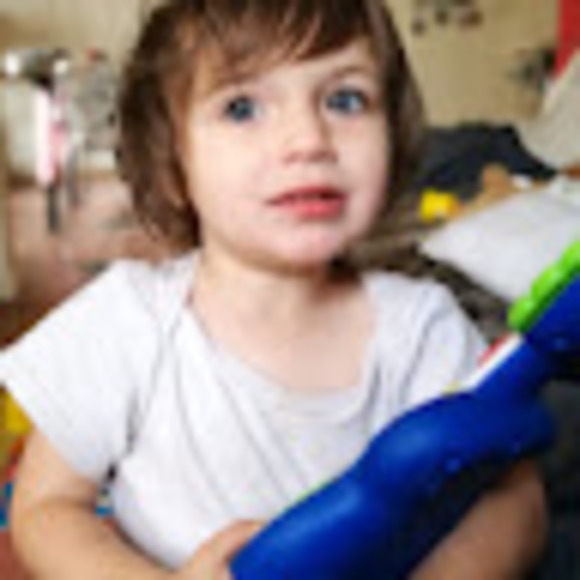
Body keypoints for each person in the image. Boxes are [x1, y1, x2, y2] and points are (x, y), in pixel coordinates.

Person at [0, 0, 546, 578]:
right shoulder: (126, 323)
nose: (308, 139)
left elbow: (512, 501)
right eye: (243, 108)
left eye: (345, 100)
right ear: (172, 163)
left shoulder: (420, 329)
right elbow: (47, 508)